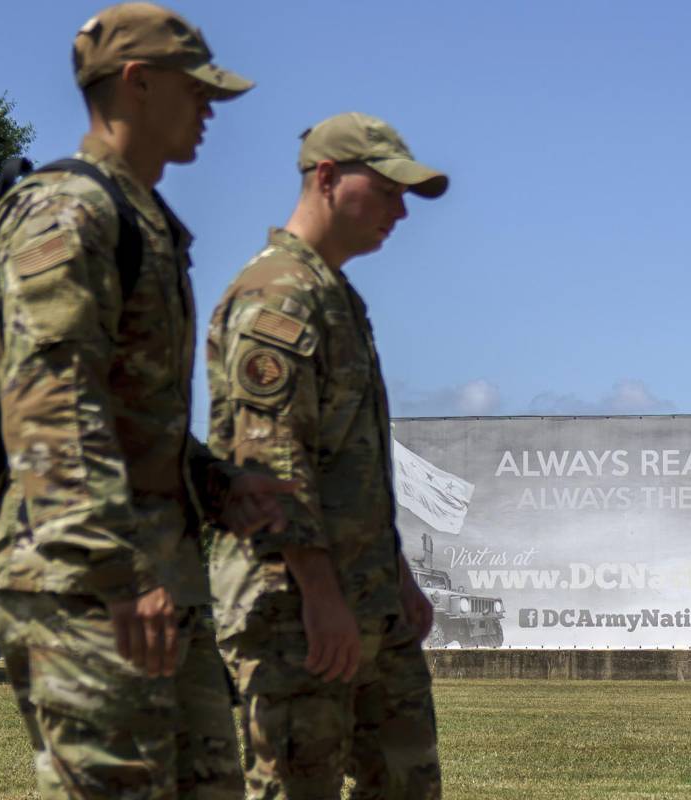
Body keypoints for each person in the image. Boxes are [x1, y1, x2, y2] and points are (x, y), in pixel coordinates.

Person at [0, 4, 285, 797]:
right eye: (198, 89)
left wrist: (217, 484)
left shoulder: (141, 216)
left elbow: (127, 413)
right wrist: (113, 573)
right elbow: (53, 407)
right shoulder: (67, 212)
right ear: (136, 84)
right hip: (85, 579)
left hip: (155, 573)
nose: (211, 110)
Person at [206, 111, 449, 799]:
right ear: (327, 178)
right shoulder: (277, 294)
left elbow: (354, 466)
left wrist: (397, 576)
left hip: (369, 601)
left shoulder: (338, 297)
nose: (402, 211)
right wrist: (320, 594)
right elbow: (270, 466)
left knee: (406, 784)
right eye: (390, 190)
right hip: (296, 609)